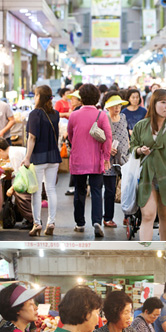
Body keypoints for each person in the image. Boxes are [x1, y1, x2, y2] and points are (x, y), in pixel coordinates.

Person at [130, 89, 166, 241]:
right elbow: (132, 147)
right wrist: (139, 150)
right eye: (163, 102)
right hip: (147, 176)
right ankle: (146, 251)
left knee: (165, 215)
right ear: (153, 104)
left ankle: (164, 249)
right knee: (148, 215)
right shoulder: (141, 126)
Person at [67, 83, 112, 238]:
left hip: (78, 159)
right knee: (96, 191)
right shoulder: (102, 115)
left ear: (81, 98)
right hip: (96, 159)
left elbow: (70, 136)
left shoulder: (74, 115)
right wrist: (106, 156)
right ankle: (97, 221)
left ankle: (80, 223)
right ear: (96, 97)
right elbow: (108, 137)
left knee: (79, 191)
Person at [23, 85, 61, 237]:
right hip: (53, 156)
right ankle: (51, 222)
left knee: (36, 192)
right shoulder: (55, 114)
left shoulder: (35, 114)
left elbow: (32, 138)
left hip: (38, 157)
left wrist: (27, 157)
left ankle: (37, 223)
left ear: (38, 96)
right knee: (51, 190)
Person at [103, 92, 129, 228]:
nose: (117, 108)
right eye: (114, 106)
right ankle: (108, 218)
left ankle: (127, 216)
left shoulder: (124, 117)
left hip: (124, 158)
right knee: (110, 190)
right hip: (109, 160)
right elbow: (98, 138)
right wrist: (107, 149)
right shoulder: (104, 118)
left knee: (126, 188)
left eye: (119, 105)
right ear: (108, 107)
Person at [0, 137, 33, 229]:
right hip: (34, 178)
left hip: (36, 180)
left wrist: (11, 189)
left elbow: (20, 177)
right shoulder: (14, 151)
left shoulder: (14, 155)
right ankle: (29, 218)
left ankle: (32, 220)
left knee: (18, 192)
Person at [64, 90, 83, 196]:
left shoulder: (76, 112)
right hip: (79, 144)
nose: (71, 100)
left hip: (77, 145)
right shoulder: (75, 110)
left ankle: (76, 188)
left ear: (80, 101)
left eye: (73, 99)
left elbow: (72, 129)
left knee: (75, 167)